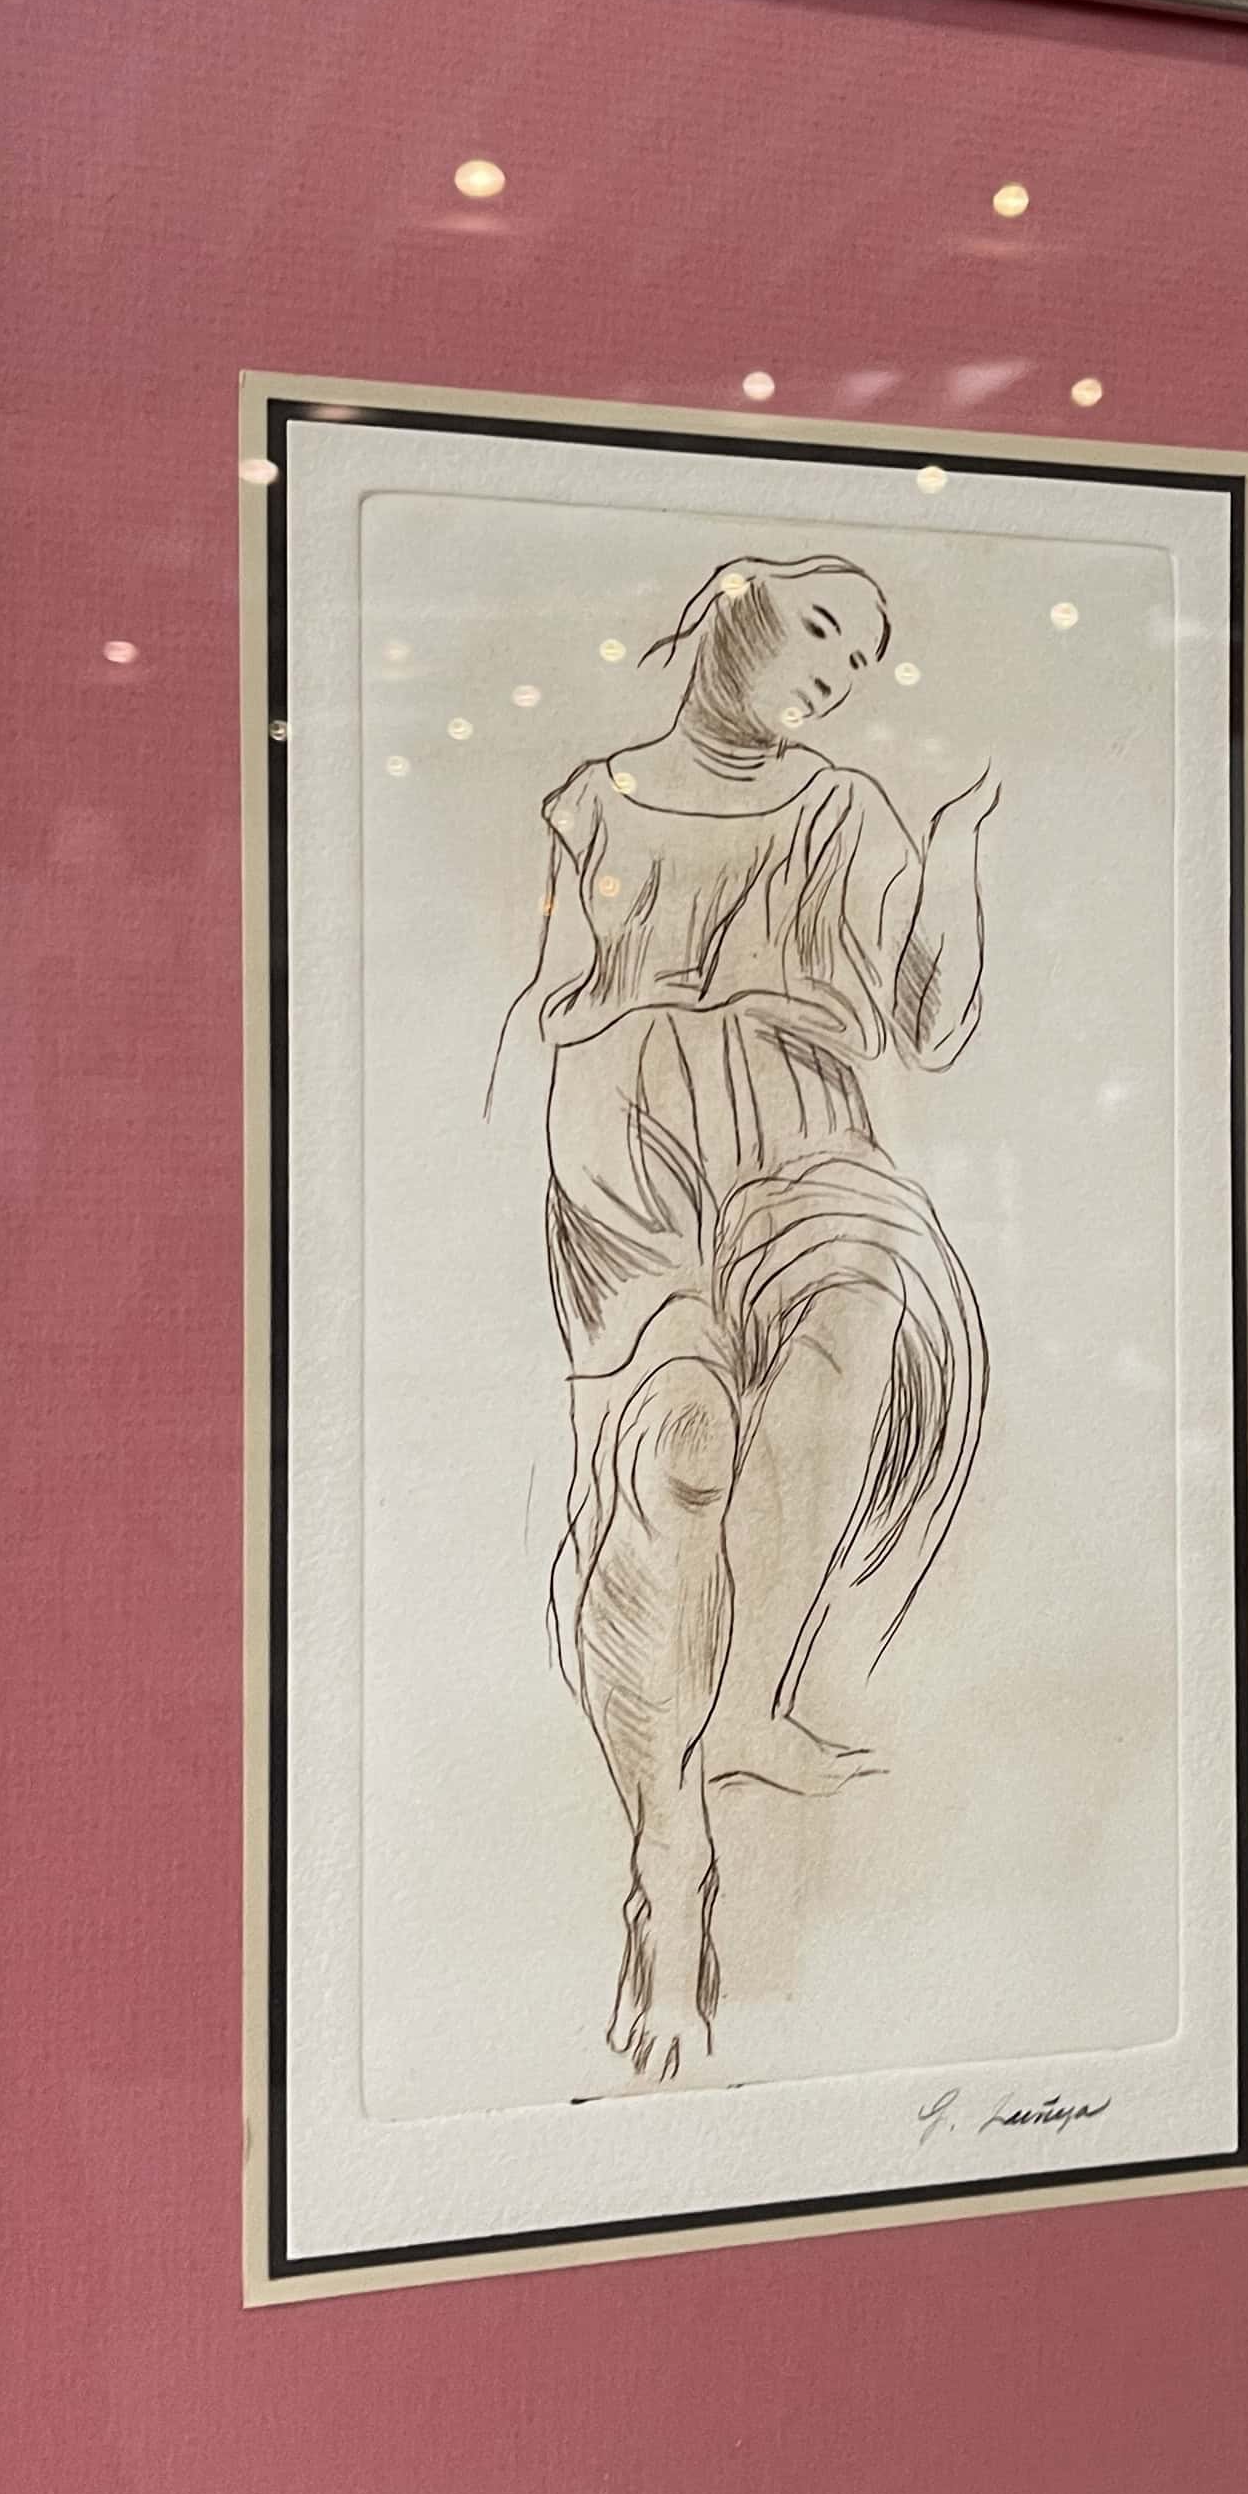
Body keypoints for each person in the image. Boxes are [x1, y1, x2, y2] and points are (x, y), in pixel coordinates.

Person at [497, 552, 999, 2082]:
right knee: (680, 1467)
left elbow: (930, 1022)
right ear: (737, 604)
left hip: (806, 1137)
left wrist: (956, 857)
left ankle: (744, 1704)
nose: (837, 672)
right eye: (826, 629)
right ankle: (668, 1865)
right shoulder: (590, 802)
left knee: (853, 1331)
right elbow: (552, 1002)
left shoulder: (844, 810)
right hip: (632, 1153)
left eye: (861, 662)